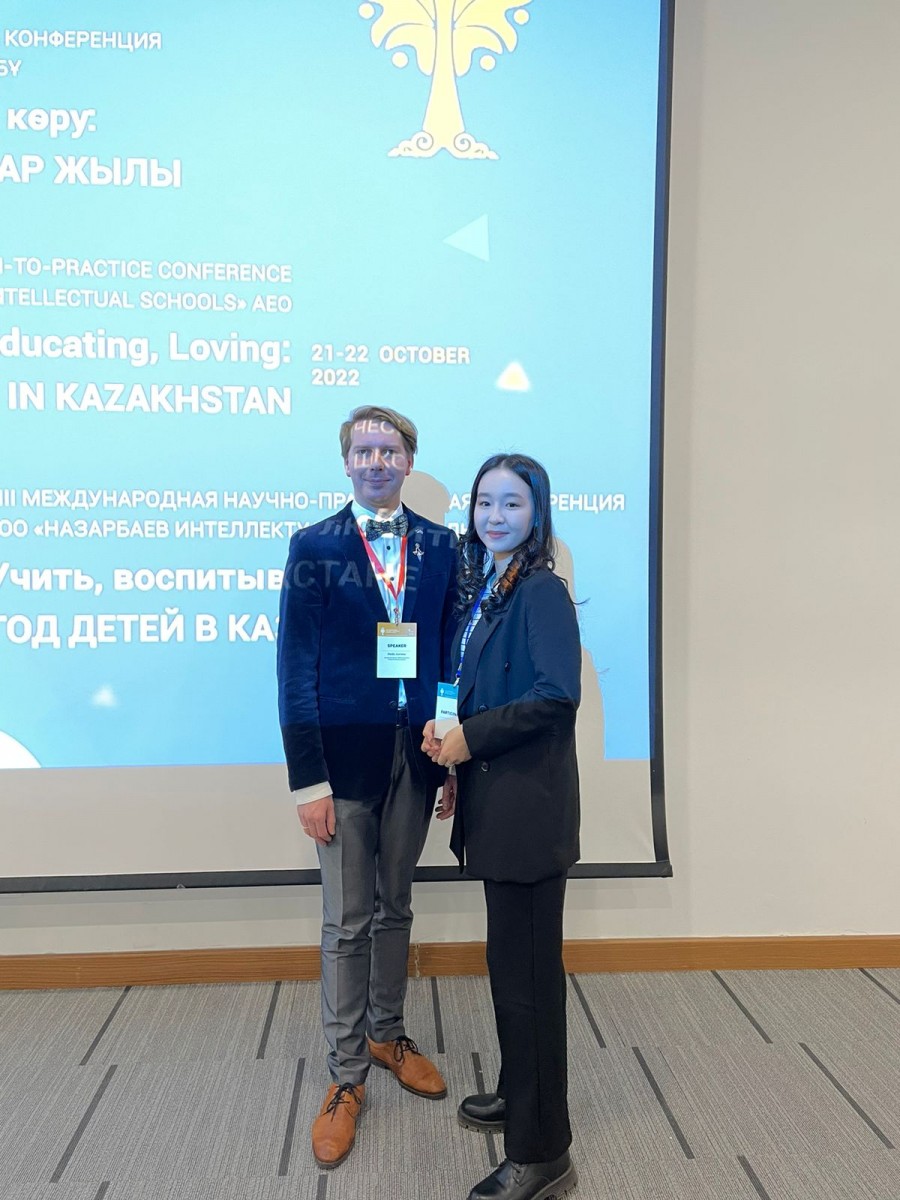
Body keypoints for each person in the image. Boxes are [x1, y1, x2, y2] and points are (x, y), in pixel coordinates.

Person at [277, 405, 458, 1168]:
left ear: (409, 460)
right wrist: (307, 782)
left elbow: (449, 651)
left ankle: (387, 1035)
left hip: (417, 752)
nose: (376, 462)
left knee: (396, 906)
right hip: (342, 763)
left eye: (389, 450)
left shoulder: (444, 545)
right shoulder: (314, 547)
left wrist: (448, 750)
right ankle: (346, 1076)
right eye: (363, 450)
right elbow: (294, 671)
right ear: (346, 462)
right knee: (347, 921)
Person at [423, 453, 581, 1200]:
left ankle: (542, 1153)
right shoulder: (492, 585)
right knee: (511, 970)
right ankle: (523, 1095)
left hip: (529, 817)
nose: (495, 516)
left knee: (529, 986)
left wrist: (471, 739)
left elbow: (555, 697)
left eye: (512, 503)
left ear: (537, 513)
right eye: (485, 501)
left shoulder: (542, 590)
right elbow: (478, 682)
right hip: (500, 806)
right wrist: (453, 748)